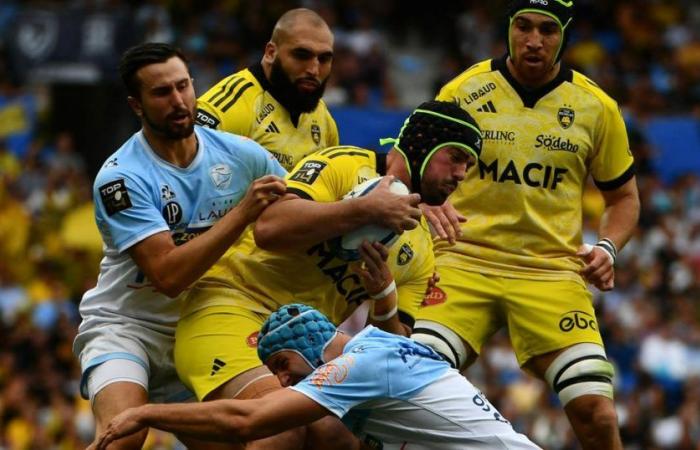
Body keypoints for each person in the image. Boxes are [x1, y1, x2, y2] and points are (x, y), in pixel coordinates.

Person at [172, 100, 481, 446]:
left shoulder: (422, 250)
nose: (461, 173)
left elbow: (389, 352)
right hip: (231, 309)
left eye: (468, 165)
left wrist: (383, 299)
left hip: (305, 350)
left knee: (340, 437)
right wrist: (363, 209)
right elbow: (269, 228)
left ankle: (199, 428)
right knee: (281, 427)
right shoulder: (344, 164)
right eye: (455, 156)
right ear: (422, 142)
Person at [411, 2, 641, 450]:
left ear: (564, 37)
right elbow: (412, 163)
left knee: (596, 412)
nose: (533, 40)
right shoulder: (465, 90)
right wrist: (424, 203)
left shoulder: (596, 107)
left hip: (551, 272)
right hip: (462, 260)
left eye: (547, 30)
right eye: (523, 26)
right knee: (408, 387)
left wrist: (608, 248)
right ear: (509, 29)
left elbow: (624, 198)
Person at [73, 42, 287, 450]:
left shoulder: (241, 156)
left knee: (265, 439)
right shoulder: (122, 178)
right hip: (128, 328)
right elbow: (168, 276)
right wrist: (241, 214)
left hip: (202, 331)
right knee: (124, 435)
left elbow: (299, 209)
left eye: (183, 86)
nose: (178, 100)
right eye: (161, 92)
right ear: (136, 105)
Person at [90, 304, 541, 450]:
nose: (284, 381)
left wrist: (146, 413)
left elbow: (248, 420)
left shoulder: (354, 368)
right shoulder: (378, 347)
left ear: (294, 350)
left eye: (281, 368)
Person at [195, 8, 338, 172]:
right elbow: (181, 182)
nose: (314, 69)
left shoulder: (324, 119)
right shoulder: (226, 109)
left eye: (324, 59)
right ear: (271, 53)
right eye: (301, 55)